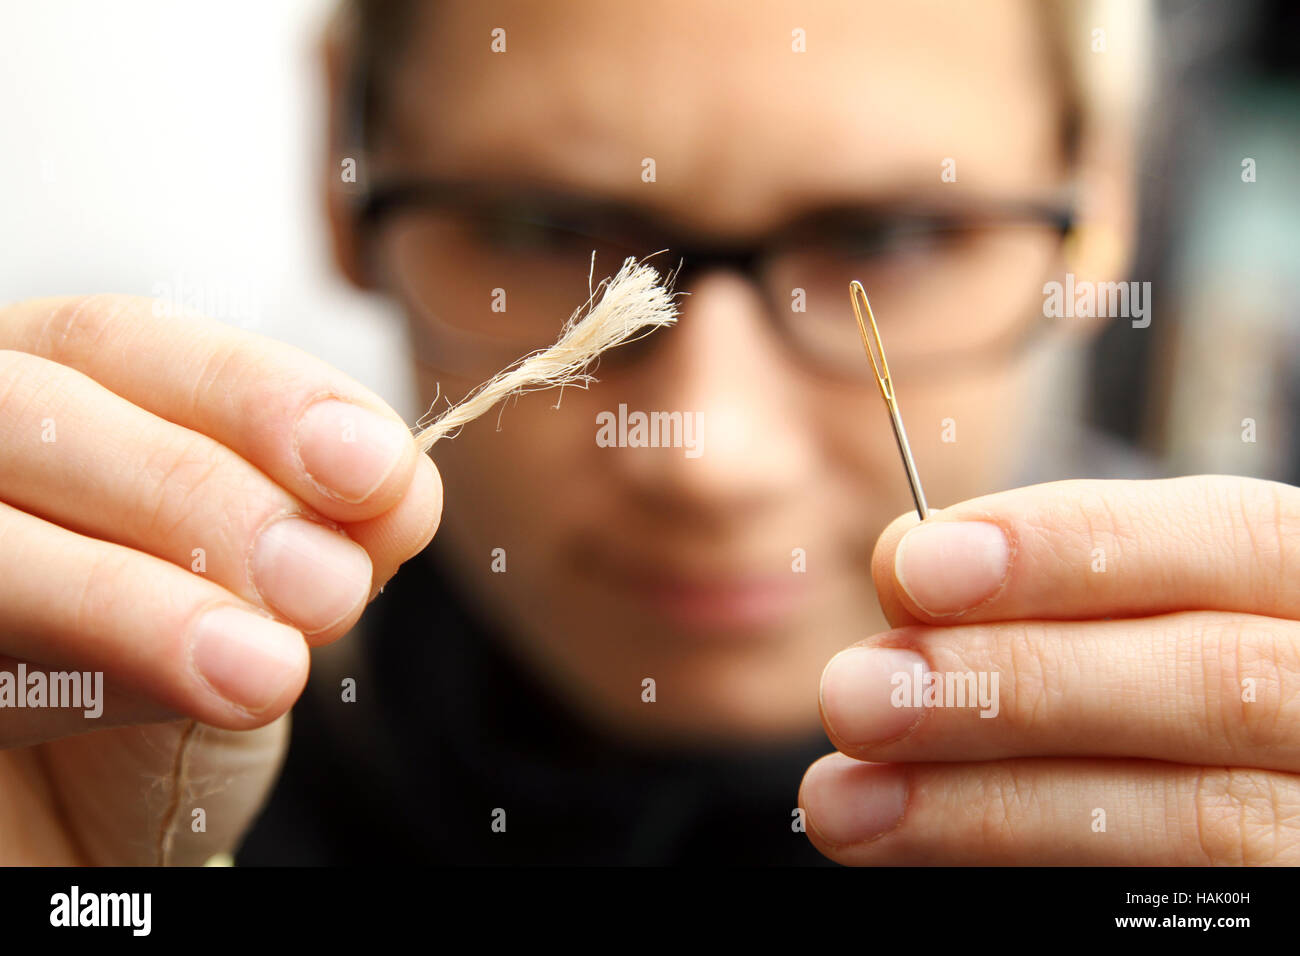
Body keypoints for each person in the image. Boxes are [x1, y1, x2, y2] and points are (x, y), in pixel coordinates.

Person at [2, 0, 1297, 866]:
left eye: (892, 237)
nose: (708, 458)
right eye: (540, 230)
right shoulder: (104, 755)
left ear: (1106, 202)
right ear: (340, 171)